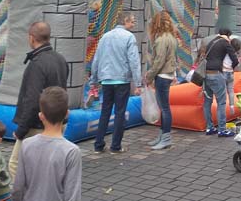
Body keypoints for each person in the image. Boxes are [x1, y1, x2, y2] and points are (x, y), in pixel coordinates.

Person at [9, 22, 68, 180]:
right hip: (57, 122)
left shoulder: (37, 64)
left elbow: (33, 100)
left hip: (38, 125)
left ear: (32, 38)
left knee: (16, 165)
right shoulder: (60, 60)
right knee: (45, 167)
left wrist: (21, 130)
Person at [12, 87, 81, 201]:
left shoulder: (26, 144)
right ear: (67, 114)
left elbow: (18, 186)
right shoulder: (72, 151)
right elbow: (72, 194)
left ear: (41, 116)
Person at [90, 12, 142, 154]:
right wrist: (138, 83)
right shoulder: (129, 37)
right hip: (122, 80)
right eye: (132, 21)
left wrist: (93, 81)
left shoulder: (104, 37)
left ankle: (98, 145)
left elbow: (96, 60)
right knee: (120, 113)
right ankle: (115, 146)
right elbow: (134, 61)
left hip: (106, 80)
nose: (133, 24)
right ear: (125, 21)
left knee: (105, 111)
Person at [144, 11, 178, 150]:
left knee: (164, 108)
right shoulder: (171, 37)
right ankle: (162, 136)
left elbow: (159, 61)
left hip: (162, 76)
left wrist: (149, 76)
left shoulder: (161, 39)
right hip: (168, 74)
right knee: (164, 107)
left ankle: (166, 138)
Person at [201, 29, 240, 137]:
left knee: (207, 102)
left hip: (205, 74)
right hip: (216, 74)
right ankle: (222, 130)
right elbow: (235, 59)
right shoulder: (225, 43)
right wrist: (231, 68)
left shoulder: (212, 41)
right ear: (228, 35)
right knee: (221, 102)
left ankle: (209, 128)